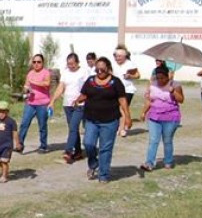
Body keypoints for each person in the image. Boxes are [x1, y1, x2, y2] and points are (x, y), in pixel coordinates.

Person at [75, 56, 131, 184]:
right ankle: (93, 163)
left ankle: (103, 175)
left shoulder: (116, 82)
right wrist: (78, 100)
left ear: (109, 69)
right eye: (97, 70)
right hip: (91, 119)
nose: (99, 72)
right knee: (88, 143)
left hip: (110, 121)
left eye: (102, 70)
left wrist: (127, 117)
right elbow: (84, 94)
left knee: (105, 148)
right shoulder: (90, 81)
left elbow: (122, 100)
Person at [140, 65, 184, 171]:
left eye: (162, 78)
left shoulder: (175, 85)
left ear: (167, 76)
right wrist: (143, 112)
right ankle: (149, 163)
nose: (160, 80)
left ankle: (168, 161)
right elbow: (149, 100)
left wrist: (173, 91)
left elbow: (181, 99)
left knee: (167, 140)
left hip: (171, 117)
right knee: (153, 140)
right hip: (154, 116)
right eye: (158, 77)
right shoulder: (152, 85)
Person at [51, 52, 90, 164]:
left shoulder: (84, 72)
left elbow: (88, 88)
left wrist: (81, 99)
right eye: (69, 64)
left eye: (72, 63)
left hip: (80, 105)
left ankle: (68, 152)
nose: (71, 66)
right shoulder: (65, 73)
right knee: (73, 129)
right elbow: (61, 87)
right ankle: (78, 152)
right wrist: (52, 101)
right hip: (67, 104)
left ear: (77, 63)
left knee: (73, 127)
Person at [17, 53, 52, 154]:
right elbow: (26, 85)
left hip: (42, 104)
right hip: (30, 102)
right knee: (24, 123)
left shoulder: (46, 73)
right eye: (34, 62)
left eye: (38, 62)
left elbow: (47, 84)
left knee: (42, 126)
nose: (36, 64)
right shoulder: (30, 73)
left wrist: (34, 82)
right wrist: (25, 90)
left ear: (42, 63)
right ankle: (20, 145)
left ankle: (43, 146)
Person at [112, 46, 140, 137]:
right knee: (116, 109)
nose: (118, 58)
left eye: (120, 56)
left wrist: (130, 76)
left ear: (125, 56)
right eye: (116, 56)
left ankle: (122, 129)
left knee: (123, 108)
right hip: (115, 89)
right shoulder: (112, 64)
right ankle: (119, 127)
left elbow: (138, 75)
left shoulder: (130, 64)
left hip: (128, 89)